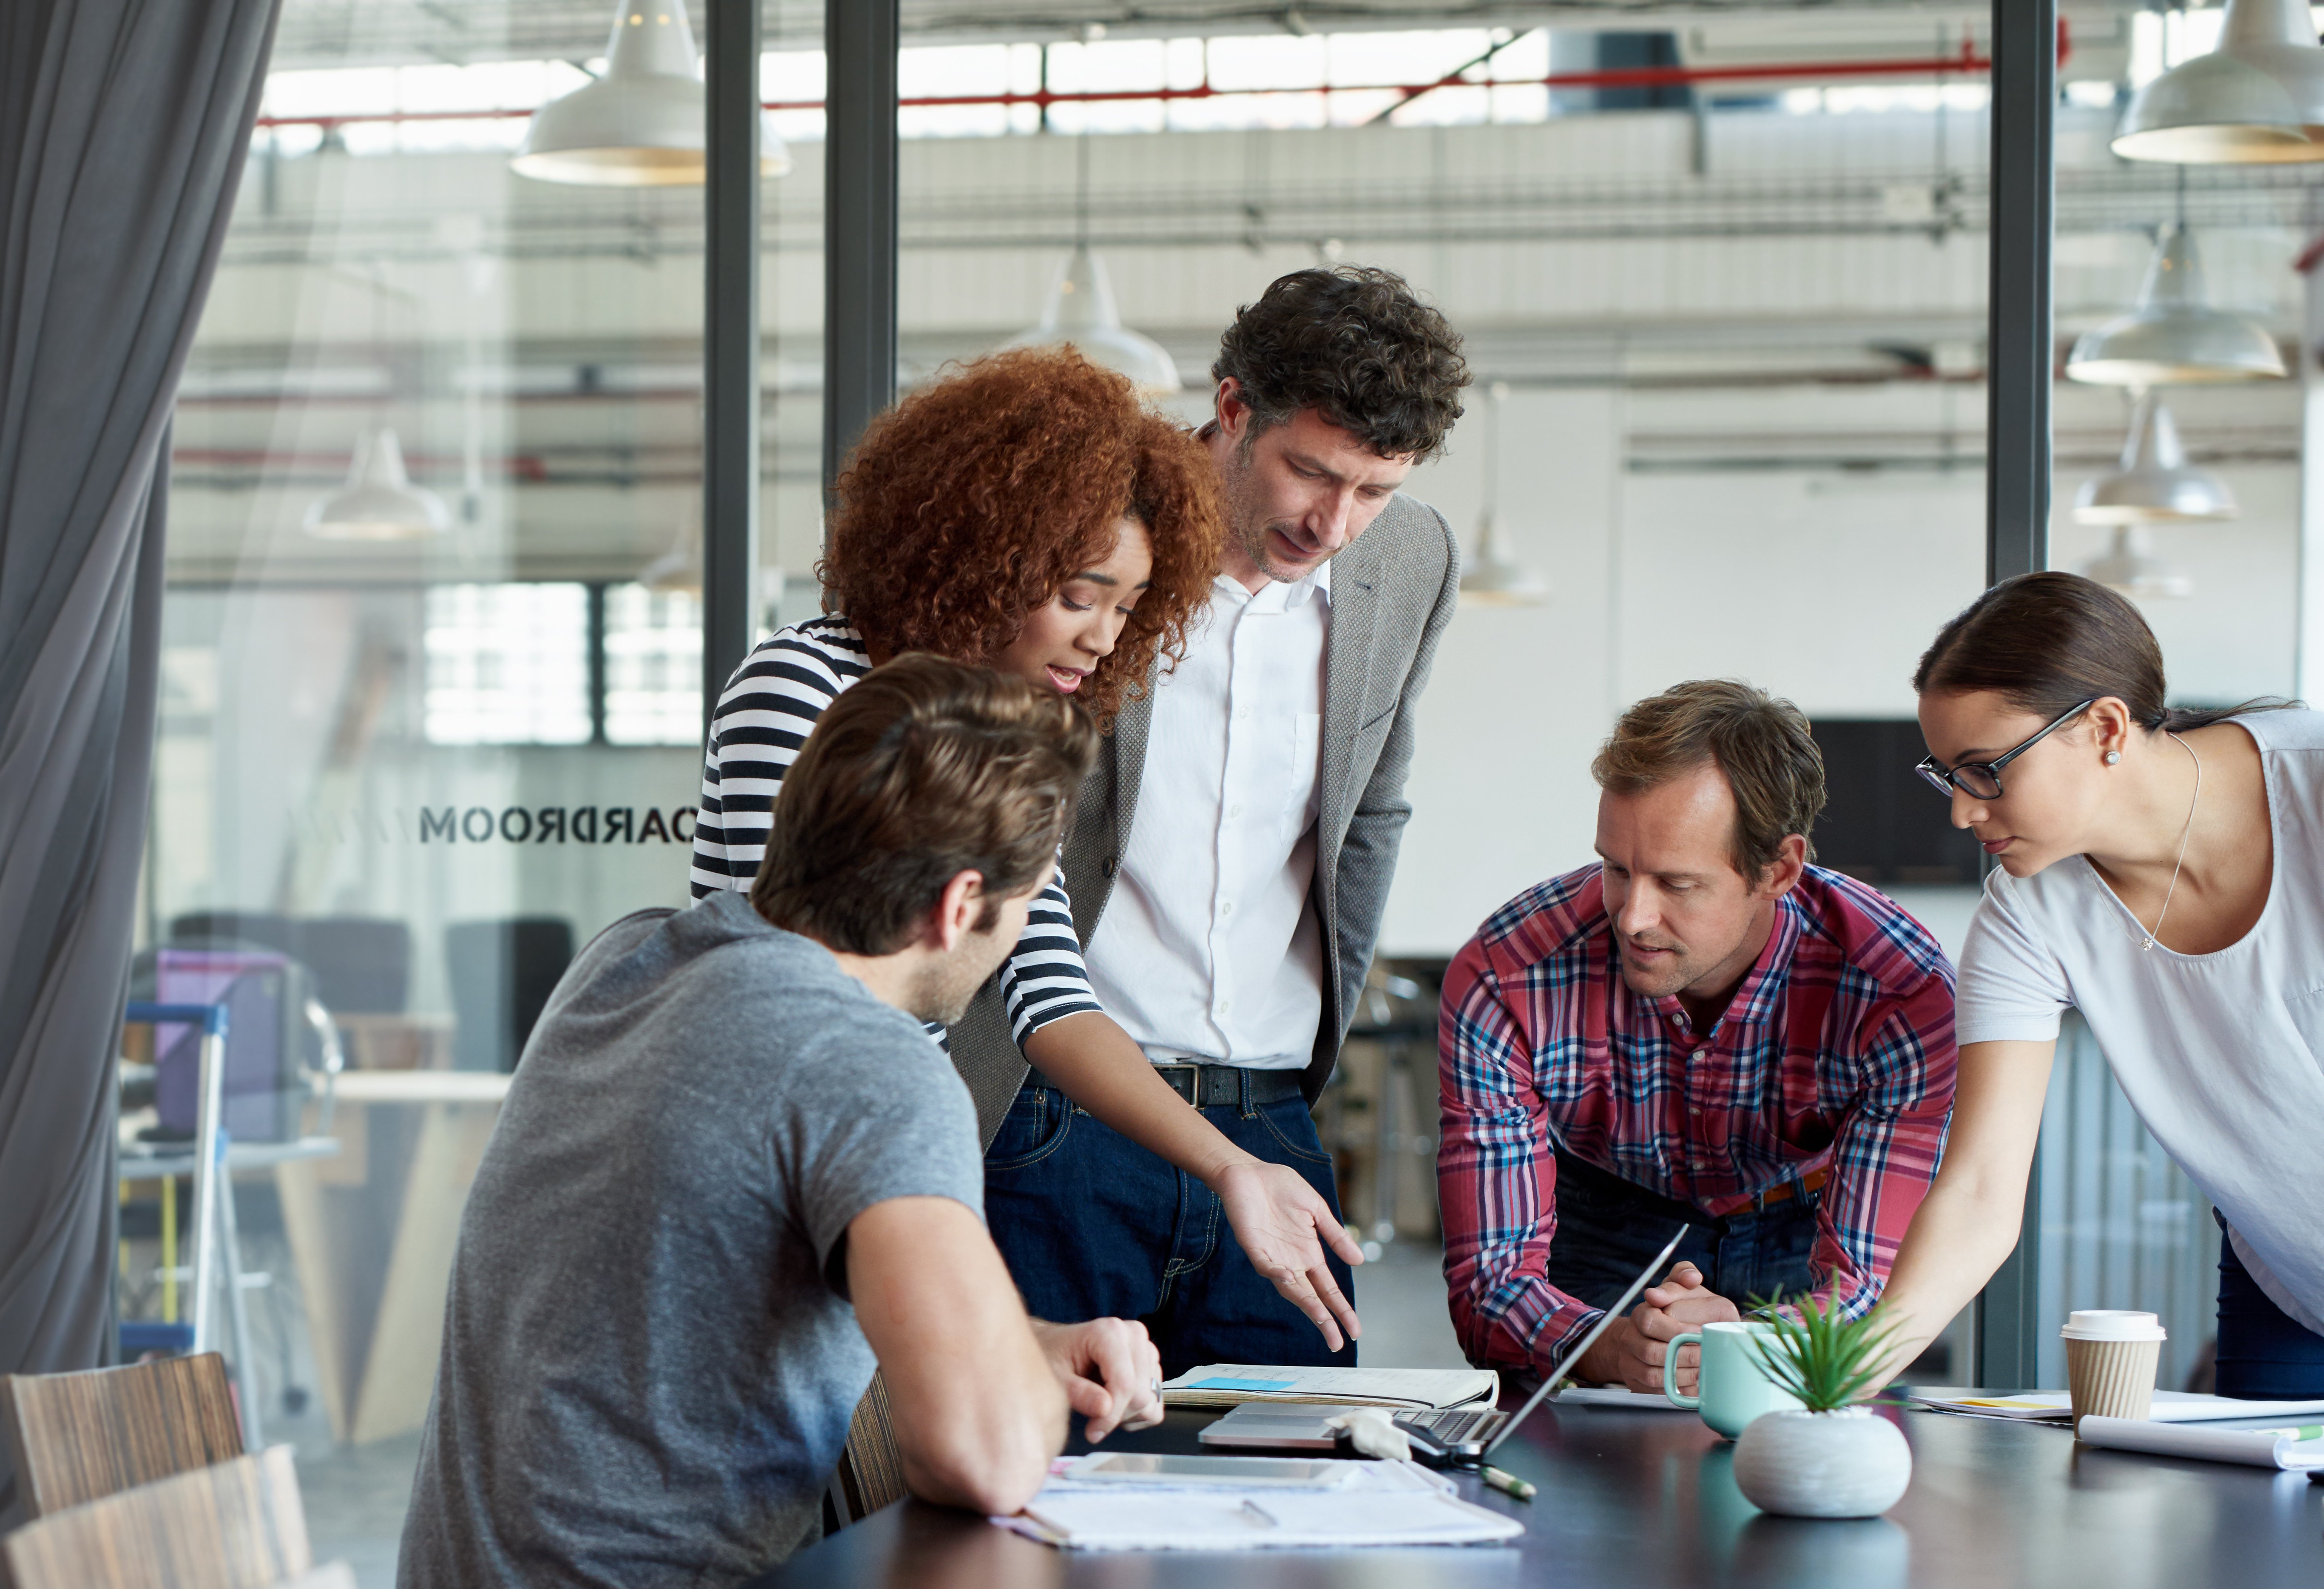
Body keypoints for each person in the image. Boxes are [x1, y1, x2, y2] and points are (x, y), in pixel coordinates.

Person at [394, 657, 1166, 1589]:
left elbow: (702, 1286)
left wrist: (1021, 1343)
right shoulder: (871, 1062)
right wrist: (1003, 1379)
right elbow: (985, 1456)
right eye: (1028, 903)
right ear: (959, 906)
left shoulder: (623, 965)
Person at [695, 347, 1366, 1355]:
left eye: (1129, 608)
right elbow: (785, 999)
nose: (1103, 638)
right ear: (984, 554)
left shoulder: (1018, 737)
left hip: (882, 1176)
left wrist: (1232, 1167)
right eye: (1079, 593)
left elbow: (1051, 998)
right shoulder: (800, 685)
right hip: (782, 1187)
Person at [951, 265, 1469, 1377]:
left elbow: (1373, 805)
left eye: (1374, 488)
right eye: (1309, 473)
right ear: (1232, 409)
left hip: (1270, 1119)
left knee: (1296, 1498)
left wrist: (1307, 1057)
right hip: (1055, 1114)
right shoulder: (1094, 543)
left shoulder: (1411, 560)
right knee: (1038, 1502)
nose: (1335, 524)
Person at [1866, 571, 2324, 1399]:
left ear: (2106, 727)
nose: (1963, 814)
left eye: (1983, 770)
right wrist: (1837, 1381)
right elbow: (1977, 1193)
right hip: (2290, 1281)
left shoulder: (2313, 789)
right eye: (1947, 776)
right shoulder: (2029, 907)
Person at [1438, 682, 1958, 1390]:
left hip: (1807, 1229)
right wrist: (1613, 1347)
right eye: (1617, 869)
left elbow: (1868, 1297)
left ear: (1778, 870)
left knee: (1828, 1444)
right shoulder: (1508, 973)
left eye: (1677, 883)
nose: (1632, 917)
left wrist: (1745, 1347)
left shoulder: (1897, 989)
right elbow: (1491, 1289)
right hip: (1604, 1220)